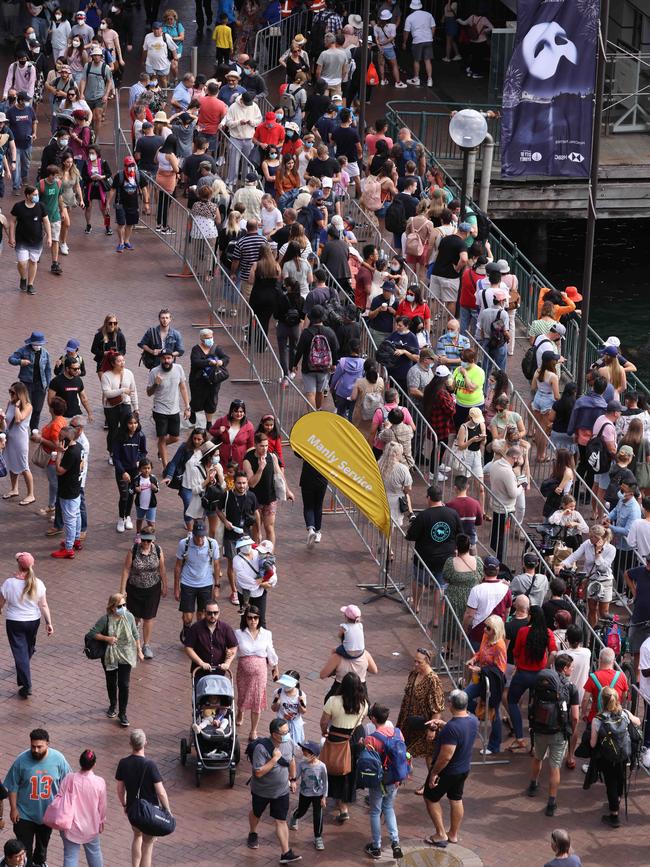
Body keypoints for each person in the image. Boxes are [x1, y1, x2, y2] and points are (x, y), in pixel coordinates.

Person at [5, 729, 71, 867]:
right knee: (24, 852)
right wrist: (13, 809)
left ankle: (40, 863)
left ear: (48, 744)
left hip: (47, 816)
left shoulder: (59, 760)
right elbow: (13, 786)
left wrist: (63, 809)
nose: (35, 750)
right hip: (24, 815)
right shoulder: (21, 761)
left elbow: (68, 784)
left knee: (42, 849)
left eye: (39, 746)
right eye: (33, 746)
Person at [422, 689, 479, 848]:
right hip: (463, 769)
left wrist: (434, 773)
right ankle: (453, 834)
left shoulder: (451, 729)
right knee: (456, 798)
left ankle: (440, 834)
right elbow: (462, 731)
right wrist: (444, 724)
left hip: (448, 771)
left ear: (450, 705)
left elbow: (446, 756)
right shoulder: (473, 720)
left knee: (430, 797)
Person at [527, 654, 579, 817]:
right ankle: (551, 802)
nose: (572, 669)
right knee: (555, 767)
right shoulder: (571, 687)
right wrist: (571, 728)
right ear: (564, 668)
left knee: (538, 757)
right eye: (571, 667)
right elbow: (575, 716)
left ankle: (533, 785)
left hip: (540, 728)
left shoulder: (542, 681)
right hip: (558, 731)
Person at [115, 729, 172, 867]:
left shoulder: (123, 763)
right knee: (148, 845)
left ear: (130, 743)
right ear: (145, 743)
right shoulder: (150, 765)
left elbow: (120, 788)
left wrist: (124, 804)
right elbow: (161, 792)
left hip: (133, 809)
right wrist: (167, 810)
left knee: (137, 836)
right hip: (149, 812)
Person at [247, 718, 301, 864]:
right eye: (283, 733)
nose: (286, 735)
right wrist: (274, 759)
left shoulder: (289, 743)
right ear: (274, 734)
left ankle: (286, 853)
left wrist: (293, 779)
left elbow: (291, 761)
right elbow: (258, 772)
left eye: (287, 731)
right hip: (261, 791)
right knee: (256, 813)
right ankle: (253, 832)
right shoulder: (261, 749)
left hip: (281, 790)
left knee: (281, 820)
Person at [0, 552, 53, 699]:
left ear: (18, 565)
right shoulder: (39, 583)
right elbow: (43, 605)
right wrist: (49, 622)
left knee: (20, 652)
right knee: (28, 648)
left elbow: (1, 603)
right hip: (33, 621)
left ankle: (26, 684)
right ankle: (23, 668)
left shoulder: (9, 583)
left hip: (14, 622)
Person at [507, 605, 558, 752]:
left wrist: (518, 665)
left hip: (523, 673)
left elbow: (516, 653)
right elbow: (554, 653)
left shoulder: (523, 632)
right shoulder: (548, 633)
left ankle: (519, 737)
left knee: (512, 701)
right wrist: (545, 668)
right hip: (540, 676)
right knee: (537, 707)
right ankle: (535, 744)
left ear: (531, 616)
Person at [406, 485, 462, 618]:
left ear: (429, 498)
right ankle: (436, 618)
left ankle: (416, 605)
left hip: (424, 558)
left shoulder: (423, 516)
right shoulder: (452, 513)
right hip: (445, 558)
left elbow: (411, 536)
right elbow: (460, 534)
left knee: (419, 582)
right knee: (440, 587)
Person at [319, 672, 368, 824]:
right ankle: (345, 802)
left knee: (335, 766)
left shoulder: (333, 701)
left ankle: (338, 801)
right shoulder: (364, 704)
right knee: (350, 769)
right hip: (355, 737)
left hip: (337, 736)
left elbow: (324, 722)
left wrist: (325, 732)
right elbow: (361, 720)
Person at [88, 591, 143, 726]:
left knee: (124, 684)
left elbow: (135, 634)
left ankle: (123, 713)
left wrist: (139, 650)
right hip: (110, 656)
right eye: (119, 606)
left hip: (127, 654)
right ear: (112, 607)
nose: (122, 608)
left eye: (124, 605)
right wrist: (107, 638)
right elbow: (92, 633)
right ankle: (113, 705)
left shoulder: (129, 616)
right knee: (111, 682)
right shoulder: (105, 619)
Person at [396, 647, 444, 791]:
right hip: (407, 720)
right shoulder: (413, 674)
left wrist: (432, 729)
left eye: (419, 662)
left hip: (424, 724)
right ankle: (406, 773)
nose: (415, 664)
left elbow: (437, 708)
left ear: (427, 662)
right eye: (415, 661)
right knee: (403, 748)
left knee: (427, 754)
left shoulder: (433, 681)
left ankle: (430, 782)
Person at [361, 703, 405, 860]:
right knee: (389, 808)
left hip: (379, 780)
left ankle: (376, 846)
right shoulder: (398, 733)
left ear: (373, 719)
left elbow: (367, 761)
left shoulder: (371, 739)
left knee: (375, 811)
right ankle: (395, 842)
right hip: (394, 778)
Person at [120, 527, 167, 660]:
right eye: (144, 540)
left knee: (149, 617)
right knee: (135, 618)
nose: (146, 543)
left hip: (153, 589)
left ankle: (146, 645)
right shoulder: (133, 550)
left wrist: (165, 585)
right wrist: (122, 589)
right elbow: (126, 569)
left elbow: (162, 568)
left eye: (148, 541)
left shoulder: (158, 550)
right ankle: (134, 643)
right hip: (135, 589)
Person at [463, 614, 507, 755]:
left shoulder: (500, 646)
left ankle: (494, 746)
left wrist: (481, 669)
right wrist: (474, 659)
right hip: (481, 679)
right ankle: (480, 713)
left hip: (493, 683)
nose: (484, 630)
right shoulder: (485, 637)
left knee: (495, 714)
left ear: (496, 630)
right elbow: (480, 653)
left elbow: (500, 670)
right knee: (464, 697)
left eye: (488, 628)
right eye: (485, 626)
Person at [235, 604, 279, 740]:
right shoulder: (238, 633)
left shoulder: (266, 634)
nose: (253, 621)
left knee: (257, 700)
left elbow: (270, 650)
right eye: (250, 618)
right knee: (243, 695)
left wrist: (275, 667)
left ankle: (253, 730)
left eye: (256, 618)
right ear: (245, 619)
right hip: (243, 671)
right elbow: (232, 650)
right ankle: (240, 711)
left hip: (260, 672)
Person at [57, 748, 107, 867]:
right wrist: (101, 821)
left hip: (70, 825)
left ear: (80, 762)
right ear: (94, 764)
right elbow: (102, 806)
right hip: (91, 826)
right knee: (94, 853)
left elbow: (59, 796)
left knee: (70, 856)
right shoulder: (99, 782)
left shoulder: (69, 778)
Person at [559, 525, 616, 628]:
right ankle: (591, 634)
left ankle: (606, 634)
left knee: (604, 612)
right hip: (591, 579)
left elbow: (603, 568)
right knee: (592, 608)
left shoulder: (611, 549)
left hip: (605, 580)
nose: (590, 539)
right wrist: (562, 564)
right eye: (590, 536)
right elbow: (575, 555)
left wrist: (598, 554)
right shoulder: (587, 544)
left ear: (600, 538)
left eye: (592, 537)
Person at [175, 520, 220, 641]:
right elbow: (178, 566)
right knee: (188, 617)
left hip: (205, 584)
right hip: (187, 583)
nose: (200, 539)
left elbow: (216, 565)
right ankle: (187, 631)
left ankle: (198, 637)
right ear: (193, 534)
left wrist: (217, 586)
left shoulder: (212, 544)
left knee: (201, 615)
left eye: (202, 536)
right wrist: (176, 588)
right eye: (197, 536)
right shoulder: (183, 544)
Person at [292, 304, 339, 409]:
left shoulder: (306, 333)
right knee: (320, 391)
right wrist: (334, 364)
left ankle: (312, 415)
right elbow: (335, 348)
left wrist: (295, 364)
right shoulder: (330, 332)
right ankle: (318, 411)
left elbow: (299, 350)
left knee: (310, 393)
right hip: (324, 368)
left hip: (308, 367)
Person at [8, 183, 51, 295]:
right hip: (21, 240)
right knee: (22, 263)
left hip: (36, 241)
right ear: (27, 195)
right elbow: (12, 222)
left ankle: (30, 284)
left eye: (37, 194)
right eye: (34, 194)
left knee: (33, 261)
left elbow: (46, 221)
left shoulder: (41, 206)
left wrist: (49, 237)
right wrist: (11, 237)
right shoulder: (18, 206)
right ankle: (23, 278)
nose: (37, 196)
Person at [462, 556, 511, 649]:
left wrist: (464, 629)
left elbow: (469, 614)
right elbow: (507, 612)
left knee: (474, 660)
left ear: (484, 570)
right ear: (498, 570)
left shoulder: (476, 590)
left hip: (478, 632)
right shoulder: (506, 588)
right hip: (497, 632)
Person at [288, 740, 327, 852]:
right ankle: (295, 816)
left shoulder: (322, 766)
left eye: (305, 751)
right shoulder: (302, 764)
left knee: (318, 815)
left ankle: (318, 837)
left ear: (313, 754)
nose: (303, 752)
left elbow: (325, 782)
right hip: (305, 793)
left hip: (318, 795)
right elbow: (297, 776)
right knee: (302, 811)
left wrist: (324, 796)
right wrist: (293, 781)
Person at [1, 383, 35, 506]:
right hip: (10, 438)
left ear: (20, 394)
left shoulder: (28, 406)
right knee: (11, 462)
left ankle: (31, 494)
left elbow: (18, 419)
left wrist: (17, 406)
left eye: (13, 392)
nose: (10, 394)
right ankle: (14, 489)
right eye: (10, 391)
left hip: (20, 440)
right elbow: (6, 423)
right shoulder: (9, 403)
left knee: (23, 466)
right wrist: (2, 419)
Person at [188, 329, 230, 426]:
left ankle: (209, 423)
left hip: (213, 380)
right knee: (197, 399)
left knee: (211, 401)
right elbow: (195, 362)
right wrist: (208, 362)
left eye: (211, 337)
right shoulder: (196, 349)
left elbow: (226, 358)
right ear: (201, 339)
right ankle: (193, 411)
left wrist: (221, 362)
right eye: (207, 338)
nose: (210, 339)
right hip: (198, 381)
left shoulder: (216, 348)